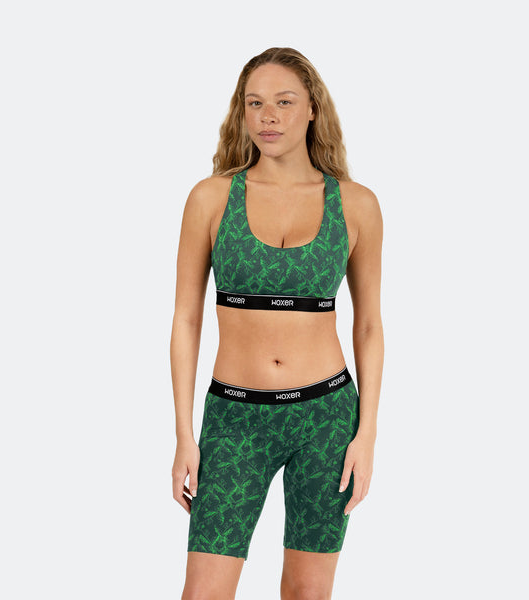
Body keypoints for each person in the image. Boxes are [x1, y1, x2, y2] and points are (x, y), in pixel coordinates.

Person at [170, 47, 384, 600]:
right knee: (204, 592)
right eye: (255, 103)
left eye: (284, 102)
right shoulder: (212, 198)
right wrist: (184, 434)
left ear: (312, 108)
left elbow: (368, 326)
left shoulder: (355, 204)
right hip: (235, 417)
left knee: (308, 593)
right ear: (241, 112)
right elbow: (187, 318)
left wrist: (366, 433)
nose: (268, 116)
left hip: (327, 418)